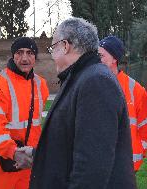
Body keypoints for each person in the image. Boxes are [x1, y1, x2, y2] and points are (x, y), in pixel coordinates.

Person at [29, 17, 137, 189]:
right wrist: (35, 155)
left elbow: (91, 166)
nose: (52, 56)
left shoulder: (95, 81)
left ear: (65, 46)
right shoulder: (82, 77)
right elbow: (71, 144)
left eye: (53, 47)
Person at [0, 37, 49, 189]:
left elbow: (36, 125)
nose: (24, 58)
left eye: (30, 53)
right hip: (4, 162)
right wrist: (14, 152)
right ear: (13, 55)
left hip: (30, 162)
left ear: (35, 57)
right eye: (19, 53)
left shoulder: (41, 85)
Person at [99, 35, 147, 172]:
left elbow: (146, 126)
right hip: (96, 165)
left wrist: (139, 153)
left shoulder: (135, 89)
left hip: (127, 167)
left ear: (114, 59)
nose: (97, 59)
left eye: (101, 55)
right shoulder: (91, 85)